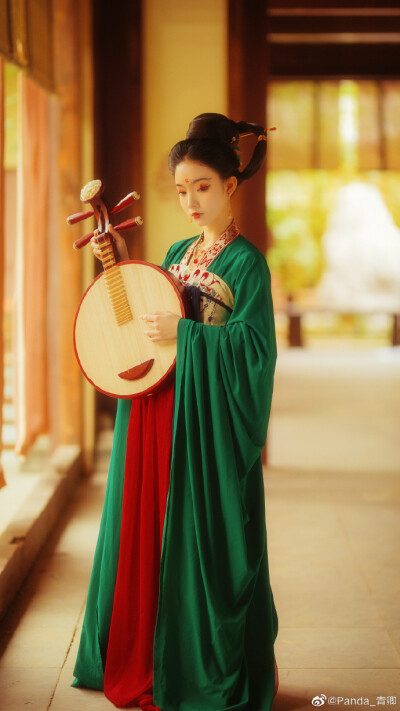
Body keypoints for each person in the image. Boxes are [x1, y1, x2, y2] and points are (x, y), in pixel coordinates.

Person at [71, 112, 279, 711]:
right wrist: (123, 258)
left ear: (231, 185)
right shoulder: (176, 250)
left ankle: (200, 664)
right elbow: (146, 310)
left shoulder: (247, 265)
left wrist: (186, 335)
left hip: (205, 422)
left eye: (203, 187)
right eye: (181, 190)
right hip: (157, 410)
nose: (190, 201)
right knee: (148, 531)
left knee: (205, 541)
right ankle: (143, 652)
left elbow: (254, 353)